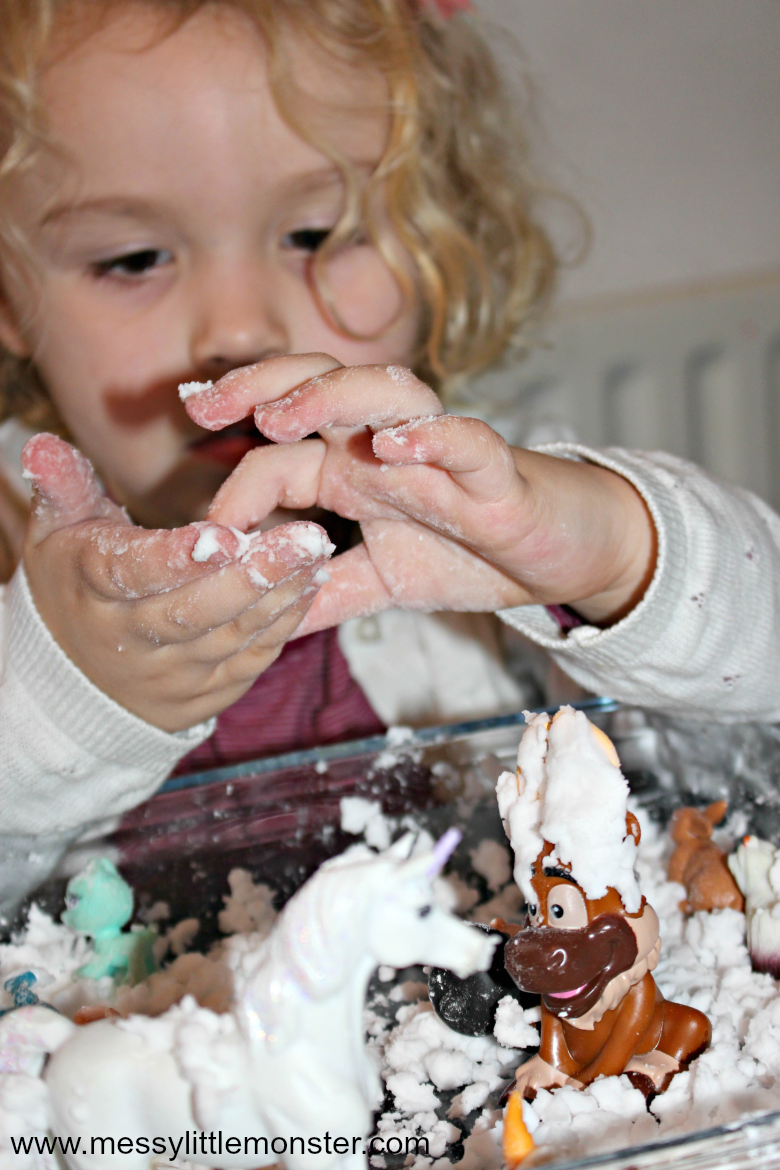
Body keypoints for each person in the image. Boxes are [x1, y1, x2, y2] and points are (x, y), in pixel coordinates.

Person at [0, 0, 777, 914]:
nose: (238, 326)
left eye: (316, 234)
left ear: (439, 241)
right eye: (134, 258)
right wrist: (64, 696)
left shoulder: (491, 519)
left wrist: (615, 553)